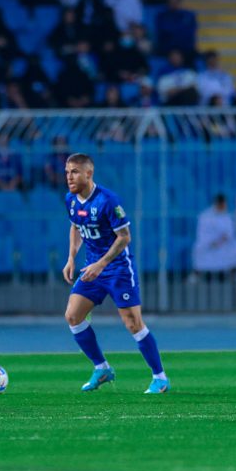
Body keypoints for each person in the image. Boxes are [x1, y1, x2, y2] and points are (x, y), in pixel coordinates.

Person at [62, 153, 170, 394]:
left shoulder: (108, 201)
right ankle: (102, 368)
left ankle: (160, 377)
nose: (69, 177)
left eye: (75, 172)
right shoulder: (70, 199)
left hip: (118, 269)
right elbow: (76, 226)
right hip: (92, 268)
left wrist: (101, 264)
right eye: (67, 172)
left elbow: (124, 238)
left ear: (89, 174)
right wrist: (71, 257)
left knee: (133, 323)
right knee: (73, 316)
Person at [192, 194, 236, 279]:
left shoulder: (227, 216)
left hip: (223, 243)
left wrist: (220, 241)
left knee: (235, 246)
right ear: (218, 204)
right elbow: (202, 233)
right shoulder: (205, 216)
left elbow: (229, 233)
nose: (225, 206)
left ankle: (234, 273)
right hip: (208, 243)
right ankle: (196, 274)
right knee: (199, 248)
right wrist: (212, 242)